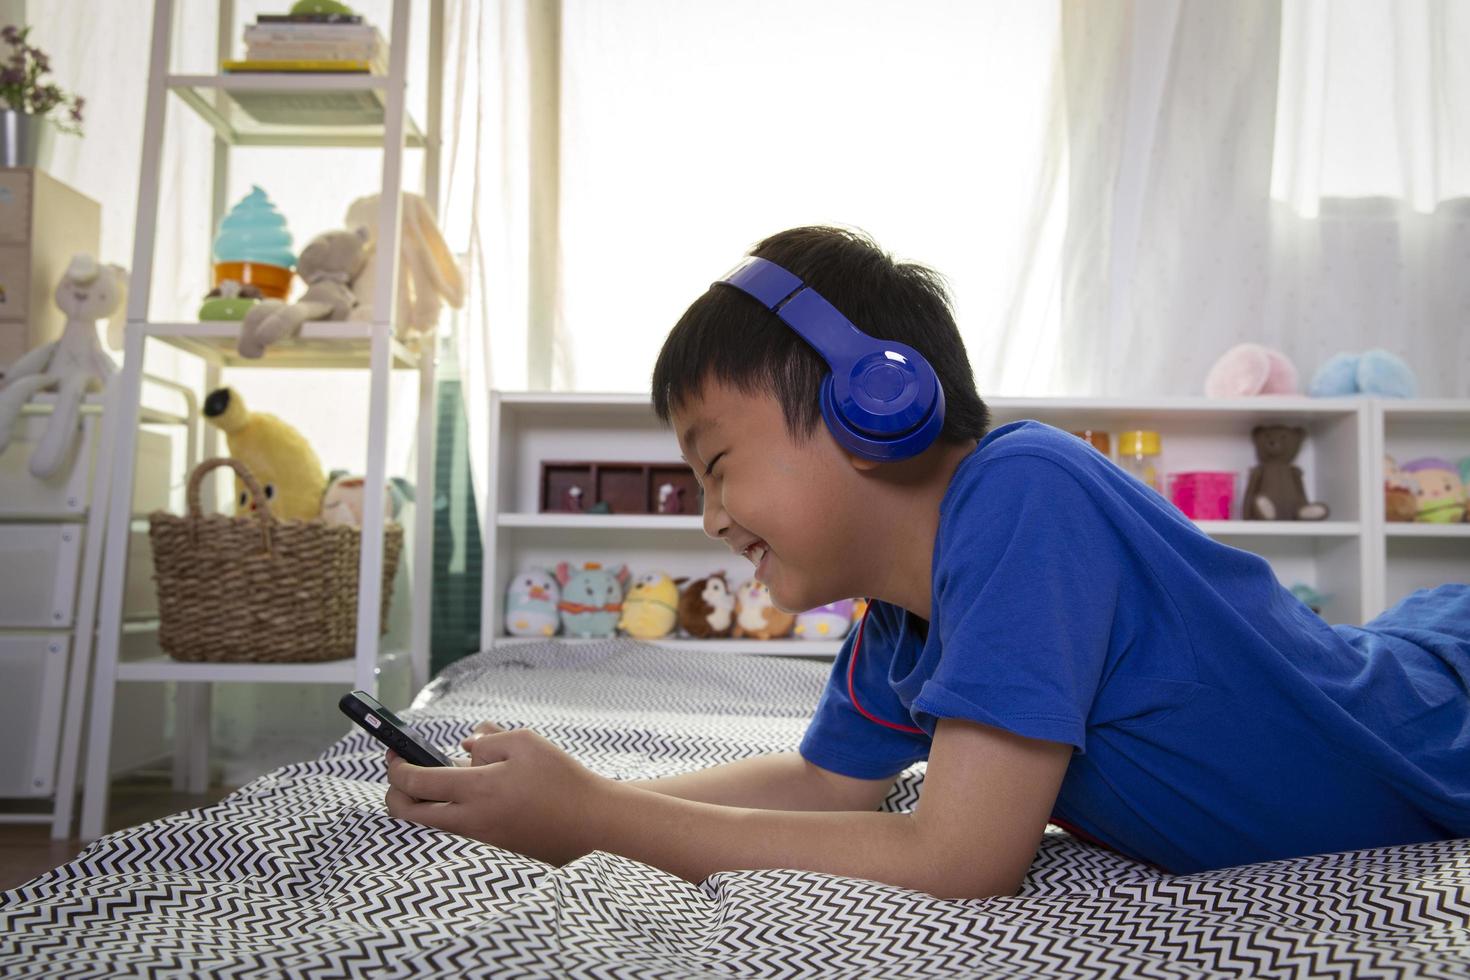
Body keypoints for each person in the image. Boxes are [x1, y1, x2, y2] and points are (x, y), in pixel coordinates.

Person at [385, 226, 1470, 899]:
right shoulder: (901, 619)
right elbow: (826, 782)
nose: (710, 515)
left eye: (717, 465)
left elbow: (961, 855)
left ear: (879, 401)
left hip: (1439, 708)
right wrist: (571, 799)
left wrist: (600, 821)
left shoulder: (1025, 490)